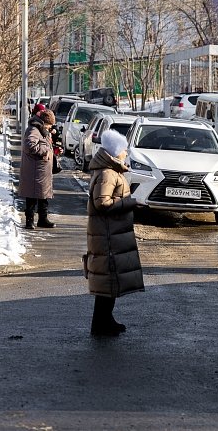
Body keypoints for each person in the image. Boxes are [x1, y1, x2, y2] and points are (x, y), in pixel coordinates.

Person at [84, 129, 145, 336]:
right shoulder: (108, 173)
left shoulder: (110, 171)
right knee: (107, 281)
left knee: (109, 282)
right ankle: (100, 325)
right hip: (108, 235)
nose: (126, 153)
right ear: (115, 152)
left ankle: (106, 320)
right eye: (124, 150)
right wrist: (130, 203)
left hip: (110, 233)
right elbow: (102, 203)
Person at [18, 109, 57, 230]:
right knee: (32, 196)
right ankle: (29, 221)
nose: (50, 127)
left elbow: (43, 144)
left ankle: (42, 219)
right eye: (49, 124)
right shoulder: (34, 130)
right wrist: (45, 151)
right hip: (35, 169)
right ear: (44, 122)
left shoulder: (41, 130)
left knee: (43, 195)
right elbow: (29, 145)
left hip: (41, 169)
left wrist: (53, 151)